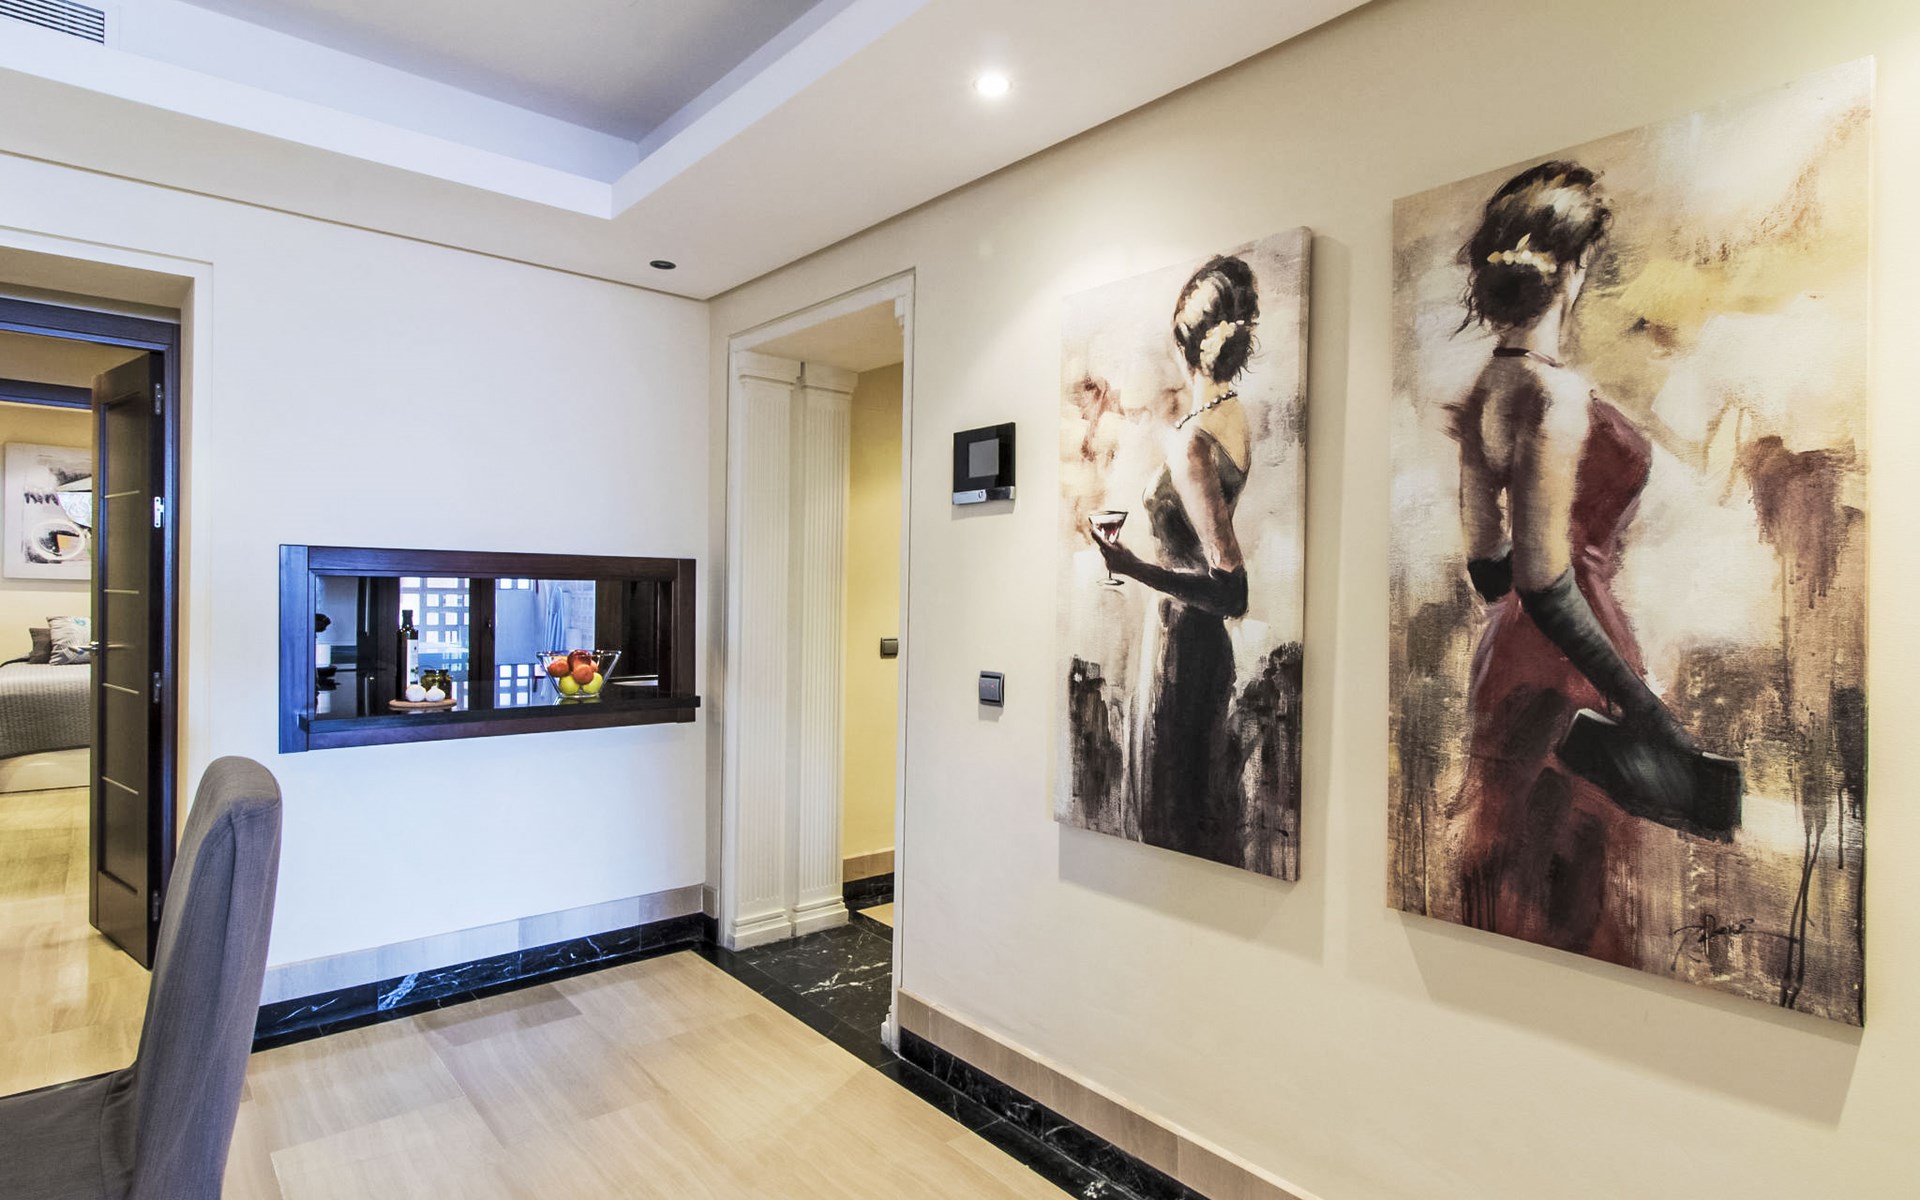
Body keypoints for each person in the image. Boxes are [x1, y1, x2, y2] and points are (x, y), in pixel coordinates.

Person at [1446, 161, 1731, 958]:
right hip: (1575, 662)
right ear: (1571, 272)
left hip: (1510, 659)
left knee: (1514, 870)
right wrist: (1644, 708)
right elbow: (1545, 578)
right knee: (1574, 893)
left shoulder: (1487, 388)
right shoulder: (1557, 396)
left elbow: (1488, 566)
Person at [1094, 255, 1256, 865]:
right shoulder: (1232, 417)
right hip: (1198, 648)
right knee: (1195, 817)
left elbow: (1231, 591)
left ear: (1184, 347)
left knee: (1172, 817)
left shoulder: (1194, 442)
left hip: (1185, 653)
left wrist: (1131, 565)